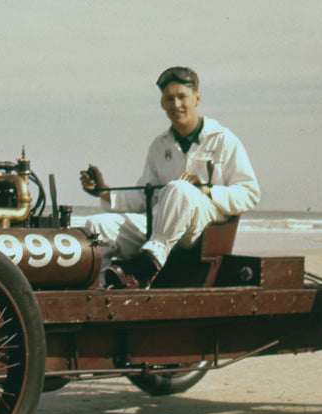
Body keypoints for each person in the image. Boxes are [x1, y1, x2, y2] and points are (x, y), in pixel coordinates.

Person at [80, 66, 260, 288]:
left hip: (200, 230)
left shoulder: (223, 140)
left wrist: (208, 191)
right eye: (169, 99)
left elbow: (250, 194)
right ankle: (100, 290)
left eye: (182, 97)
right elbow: (145, 197)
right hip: (162, 226)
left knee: (180, 189)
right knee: (96, 227)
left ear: (197, 99)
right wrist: (104, 192)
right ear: (162, 103)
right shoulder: (159, 145)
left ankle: (147, 266)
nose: (176, 105)